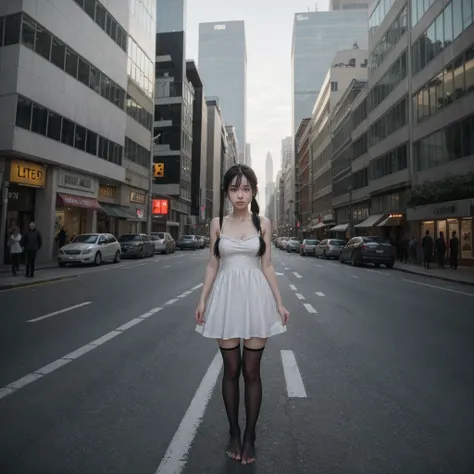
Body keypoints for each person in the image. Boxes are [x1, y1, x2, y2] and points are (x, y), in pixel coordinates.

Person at [195, 164, 290, 465]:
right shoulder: (217, 223)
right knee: (231, 370)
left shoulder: (263, 223)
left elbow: (268, 265)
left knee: (252, 372)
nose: (240, 194)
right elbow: (213, 264)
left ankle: (250, 435)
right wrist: (202, 300)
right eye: (235, 189)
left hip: (255, 300)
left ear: (253, 191)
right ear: (226, 192)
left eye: (246, 188)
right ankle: (233, 431)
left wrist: (279, 302)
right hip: (225, 300)